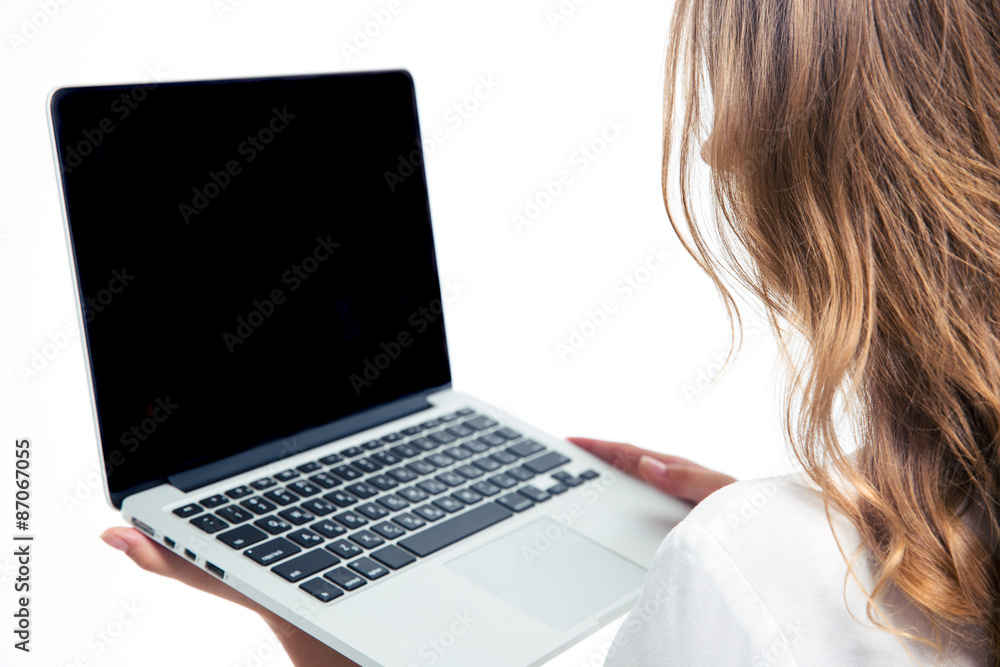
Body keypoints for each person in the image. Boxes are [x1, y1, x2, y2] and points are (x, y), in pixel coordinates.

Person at [101, 0, 1000, 663]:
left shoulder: (750, 567)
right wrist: (784, 542)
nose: (716, 148)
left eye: (737, 94)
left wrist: (313, 630)